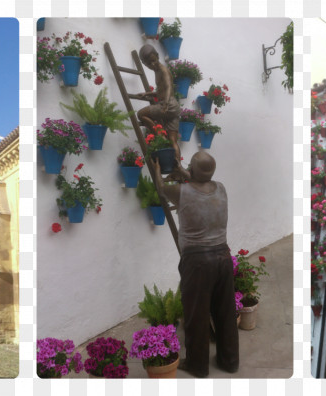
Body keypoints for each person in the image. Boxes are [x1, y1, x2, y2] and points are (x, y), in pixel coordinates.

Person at [150, 151, 238, 378]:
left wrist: (158, 168)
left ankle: (198, 365)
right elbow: (201, 179)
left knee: (196, 315)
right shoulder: (221, 188)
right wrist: (188, 172)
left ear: (193, 170)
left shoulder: (181, 191)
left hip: (198, 262)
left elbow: (161, 188)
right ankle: (230, 361)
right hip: (223, 257)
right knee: (225, 311)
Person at [132, 44, 189, 180]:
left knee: (141, 114)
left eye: (153, 60)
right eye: (148, 63)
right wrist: (147, 94)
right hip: (172, 107)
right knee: (173, 140)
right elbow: (160, 91)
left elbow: (169, 87)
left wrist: (165, 104)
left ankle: (159, 134)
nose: (152, 64)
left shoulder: (163, 70)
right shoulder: (156, 70)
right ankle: (177, 169)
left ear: (157, 56)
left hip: (168, 105)